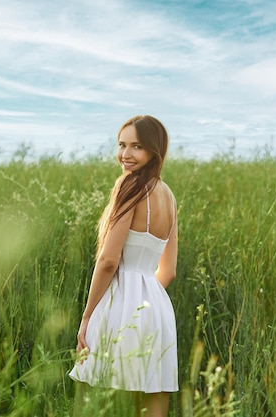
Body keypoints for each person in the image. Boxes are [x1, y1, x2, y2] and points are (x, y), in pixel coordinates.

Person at [69, 115, 178, 417]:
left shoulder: (128, 185)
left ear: (154, 151)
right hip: (157, 307)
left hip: (119, 303)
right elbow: (168, 270)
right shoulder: (169, 196)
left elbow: (108, 260)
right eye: (121, 145)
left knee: (99, 402)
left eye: (137, 147)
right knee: (154, 397)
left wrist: (88, 316)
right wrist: (146, 301)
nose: (125, 155)